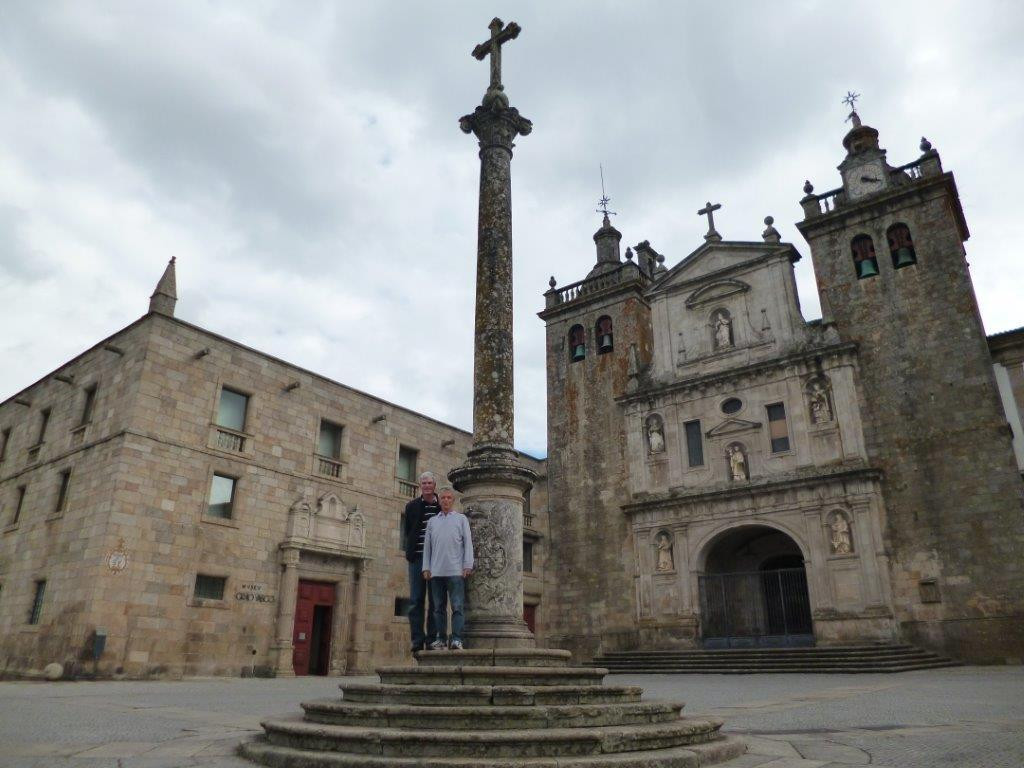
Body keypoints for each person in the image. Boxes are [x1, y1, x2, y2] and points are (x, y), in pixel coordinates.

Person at [422, 486, 474, 650]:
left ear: (453, 500)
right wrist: (426, 567)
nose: (445, 500)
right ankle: (441, 638)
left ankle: (457, 638)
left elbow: (468, 543)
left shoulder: (461, 519)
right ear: (439, 500)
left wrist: (467, 564)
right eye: (443, 498)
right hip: (436, 572)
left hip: (456, 571)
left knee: (457, 607)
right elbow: (427, 547)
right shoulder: (432, 521)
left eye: (448, 498)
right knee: (438, 608)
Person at [402, 471, 440, 652]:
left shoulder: (441, 507)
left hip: (437, 560)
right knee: (416, 599)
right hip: (417, 558)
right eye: (423, 483)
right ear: (420, 486)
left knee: (435, 601)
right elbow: (409, 531)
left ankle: (432, 639)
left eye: (429, 483)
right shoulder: (411, 506)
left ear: (434, 486)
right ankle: (417, 639)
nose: (426, 486)